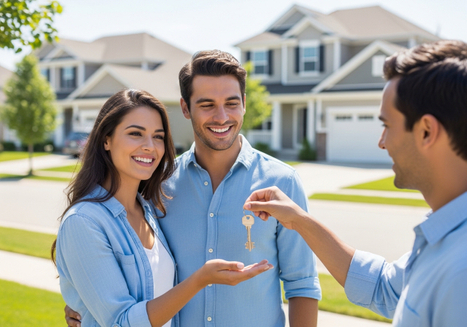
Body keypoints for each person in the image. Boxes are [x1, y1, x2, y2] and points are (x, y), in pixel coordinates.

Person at [67, 50, 321, 327]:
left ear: (245, 104)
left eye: (232, 103)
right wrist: (86, 305)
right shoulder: (158, 184)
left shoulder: (282, 183)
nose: (222, 117)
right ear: (185, 108)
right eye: (207, 104)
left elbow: (302, 285)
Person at [244, 40, 467, 326]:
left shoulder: (460, 271)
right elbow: (383, 288)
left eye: (386, 125)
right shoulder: (441, 239)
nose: (381, 142)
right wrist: (299, 220)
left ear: (426, 131)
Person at [52, 89, 272, 327]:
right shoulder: (84, 222)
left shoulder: (149, 210)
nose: (150, 146)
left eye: (158, 137)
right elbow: (121, 322)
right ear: (106, 139)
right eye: (135, 134)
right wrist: (200, 280)